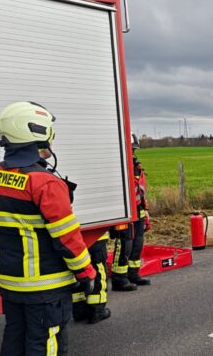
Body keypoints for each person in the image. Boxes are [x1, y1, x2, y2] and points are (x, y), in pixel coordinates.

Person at [0, 101, 95, 356]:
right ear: (37, 131)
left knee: (14, 340)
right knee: (44, 344)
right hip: (46, 288)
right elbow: (67, 238)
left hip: (11, 284)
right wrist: (86, 272)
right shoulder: (45, 183)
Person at [112, 134, 152, 290]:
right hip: (125, 211)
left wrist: (145, 210)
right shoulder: (118, 166)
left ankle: (133, 274)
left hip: (138, 211)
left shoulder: (136, 166)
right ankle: (119, 278)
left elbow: (140, 191)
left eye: (134, 149)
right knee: (125, 244)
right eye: (130, 149)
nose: (133, 152)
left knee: (137, 243)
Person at [72, 230, 110, 324]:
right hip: (96, 234)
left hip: (74, 236)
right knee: (99, 269)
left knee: (79, 269)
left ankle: (79, 310)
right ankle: (97, 310)